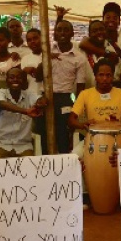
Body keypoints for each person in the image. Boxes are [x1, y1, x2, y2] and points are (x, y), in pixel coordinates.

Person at [35, 20, 86, 153]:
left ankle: (64, 169)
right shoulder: (47, 51)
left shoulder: (79, 58)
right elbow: (38, 77)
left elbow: (81, 88)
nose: (62, 33)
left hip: (64, 99)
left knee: (63, 138)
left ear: (72, 33)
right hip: (45, 99)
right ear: (55, 34)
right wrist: (46, 59)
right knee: (44, 137)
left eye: (66, 30)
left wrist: (75, 112)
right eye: (59, 30)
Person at [0, 67, 47, 158]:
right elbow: (2, 104)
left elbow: (40, 100)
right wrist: (26, 111)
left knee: (30, 168)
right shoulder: (0, 93)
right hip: (1, 145)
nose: (15, 80)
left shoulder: (29, 94)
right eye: (12, 77)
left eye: (19, 77)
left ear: (24, 81)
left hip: (23, 146)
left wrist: (40, 103)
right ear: (6, 80)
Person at [69, 59, 121, 131]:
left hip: (116, 137)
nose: (105, 78)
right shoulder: (85, 94)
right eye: (101, 75)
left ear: (113, 76)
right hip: (93, 138)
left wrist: (118, 126)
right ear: (95, 76)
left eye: (108, 75)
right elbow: (71, 120)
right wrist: (82, 125)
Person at [20, 28, 44, 96]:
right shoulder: (25, 59)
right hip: (31, 96)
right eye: (29, 40)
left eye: (35, 38)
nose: (32, 41)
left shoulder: (51, 56)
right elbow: (24, 84)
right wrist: (24, 73)